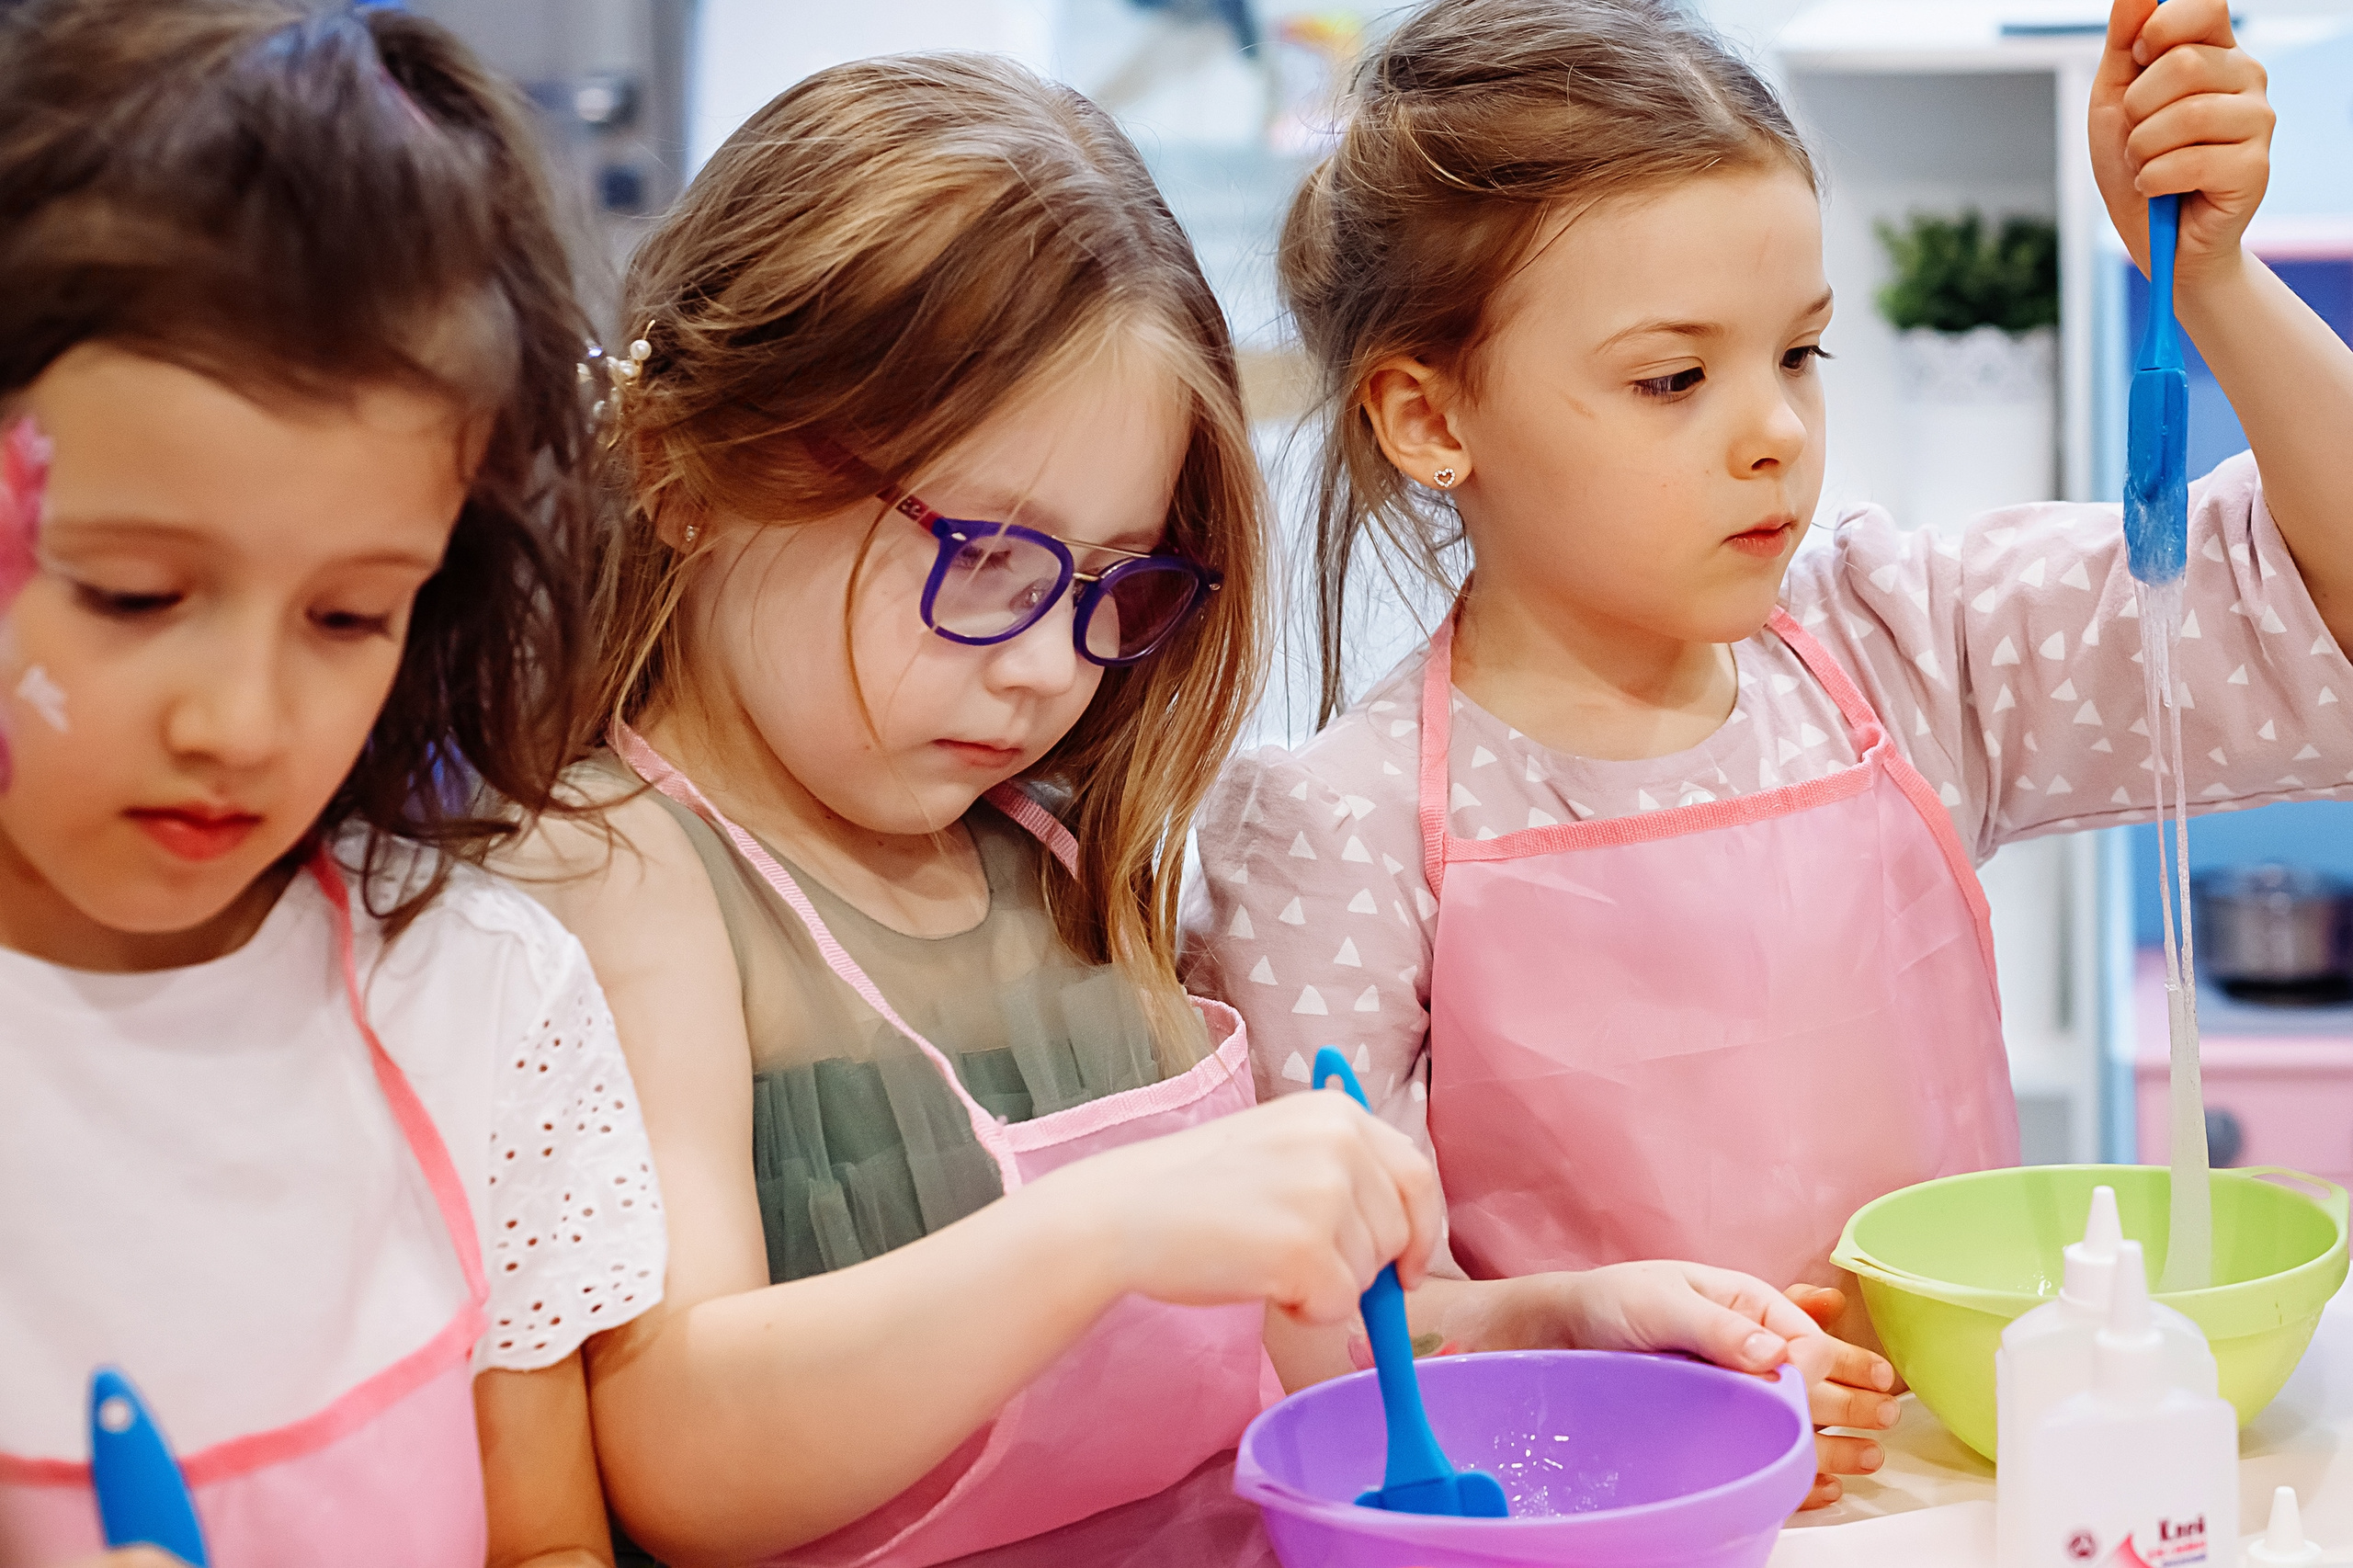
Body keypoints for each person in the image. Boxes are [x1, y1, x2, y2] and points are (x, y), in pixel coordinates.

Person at [509, 51, 1875, 1567]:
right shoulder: (626, 864)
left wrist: (1561, 1320)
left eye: (1110, 584)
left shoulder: (1048, 848)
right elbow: (680, 1455)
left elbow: (1249, 1369)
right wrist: (1107, 1223)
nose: (1045, 666)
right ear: (689, 468)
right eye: (985, 562)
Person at [1183, 0, 2353, 1506]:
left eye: (1798, 352)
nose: (1775, 435)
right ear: (1427, 414)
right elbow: (1333, 1356)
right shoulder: (1335, 833)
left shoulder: (1902, 647)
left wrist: (2212, 284)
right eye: (1675, 379)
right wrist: (1583, 1330)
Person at [0, 4, 665, 1562]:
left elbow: (547, 1541)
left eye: (348, 615)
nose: (239, 722)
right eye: (130, 594)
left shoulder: (477, 1001)